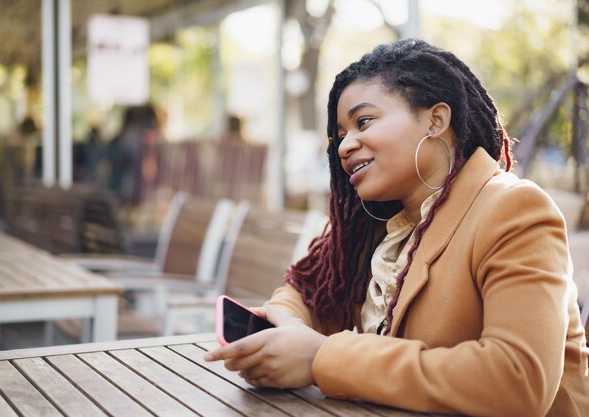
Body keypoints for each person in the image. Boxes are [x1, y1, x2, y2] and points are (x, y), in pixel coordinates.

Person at [204, 39, 589, 416]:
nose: (344, 146)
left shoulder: (514, 210)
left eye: (364, 121)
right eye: (340, 134)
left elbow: (518, 381)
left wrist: (321, 357)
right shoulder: (381, 225)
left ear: (436, 120)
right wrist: (284, 324)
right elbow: (309, 290)